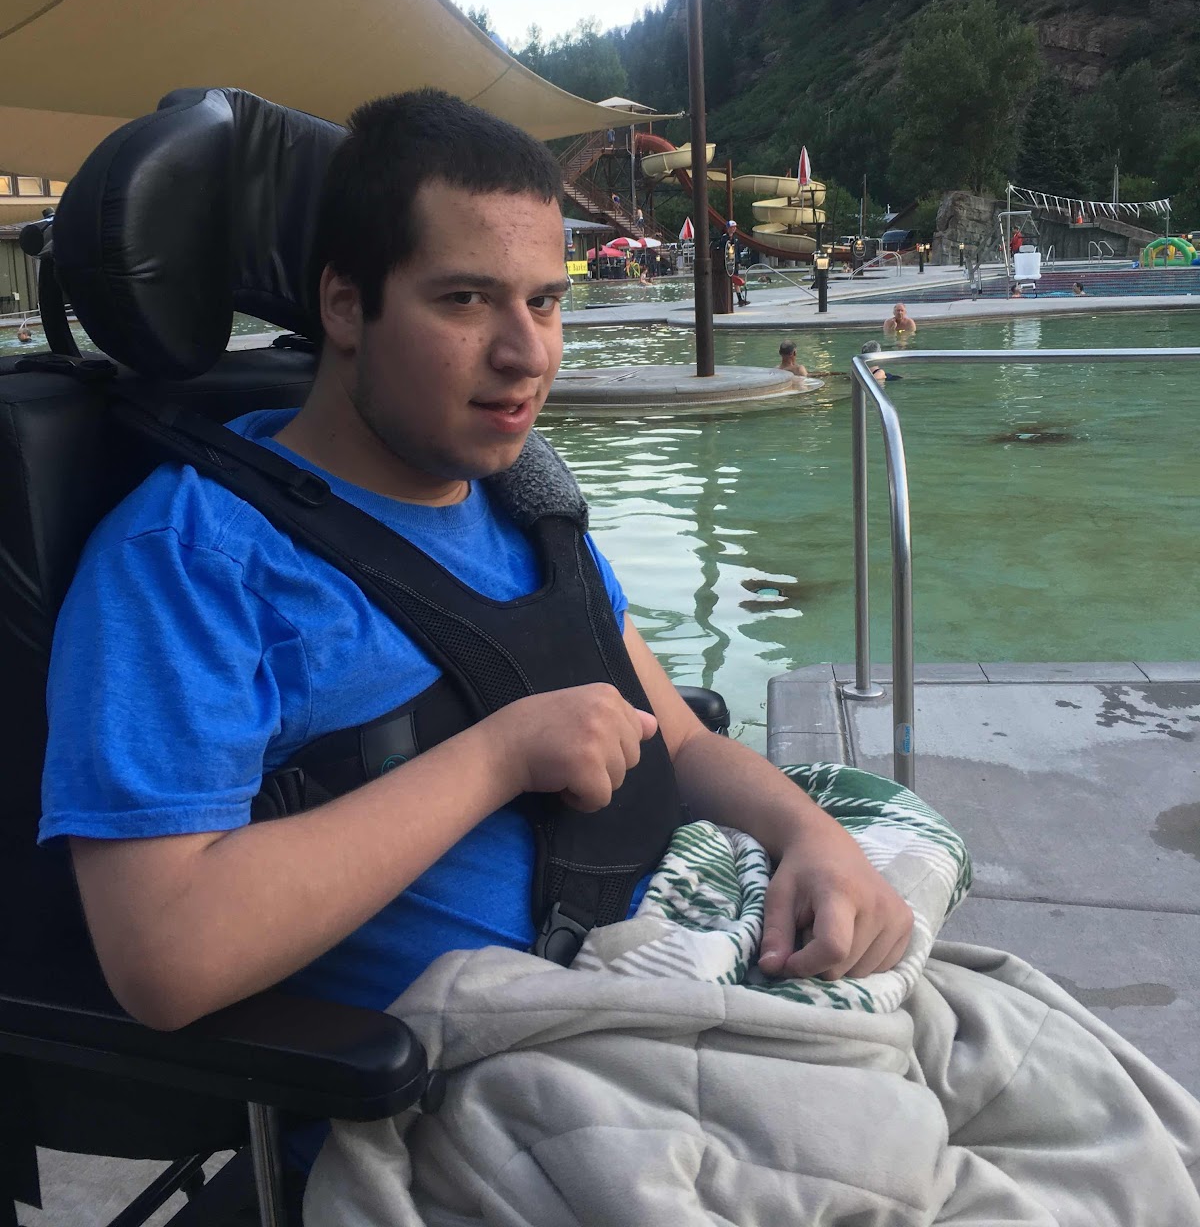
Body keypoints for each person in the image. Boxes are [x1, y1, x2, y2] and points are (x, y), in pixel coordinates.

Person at [42, 90, 910, 1069]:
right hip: (505, 1070)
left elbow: (676, 735)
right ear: (344, 305)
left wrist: (811, 837)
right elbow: (164, 957)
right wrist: (498, 756)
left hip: (692, 958)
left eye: (544, 301)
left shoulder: (528, 502)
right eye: (464, 299)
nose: (526, 353)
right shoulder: (196, 557)